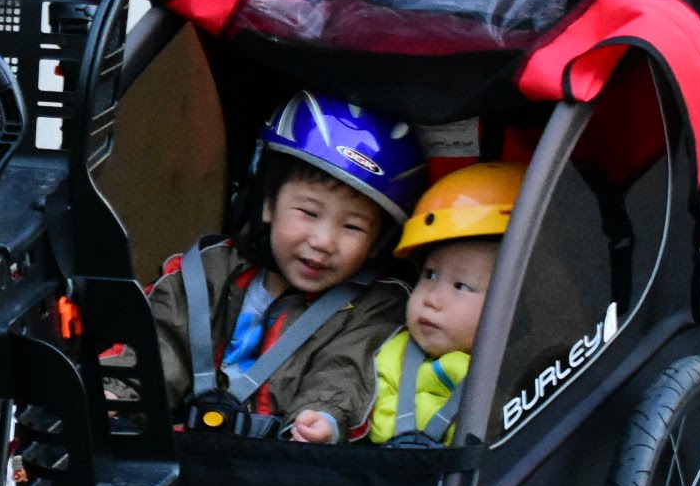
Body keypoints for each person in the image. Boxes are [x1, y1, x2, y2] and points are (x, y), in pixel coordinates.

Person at [150, 92, 423, 443]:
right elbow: (159, 339)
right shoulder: (207, 272)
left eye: (352, 227)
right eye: (308, 213)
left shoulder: (376, 305)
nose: (324, 241)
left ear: (379, 241)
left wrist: (322, 419)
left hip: (284, 468)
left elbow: (346, 370)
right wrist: (120, 391)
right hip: (179, 453)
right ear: (267, 204)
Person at [366, 161, 522, 446]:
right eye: (430, 275)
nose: (432, 298)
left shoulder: (519, 371)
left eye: (461, 286)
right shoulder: (389, 352)